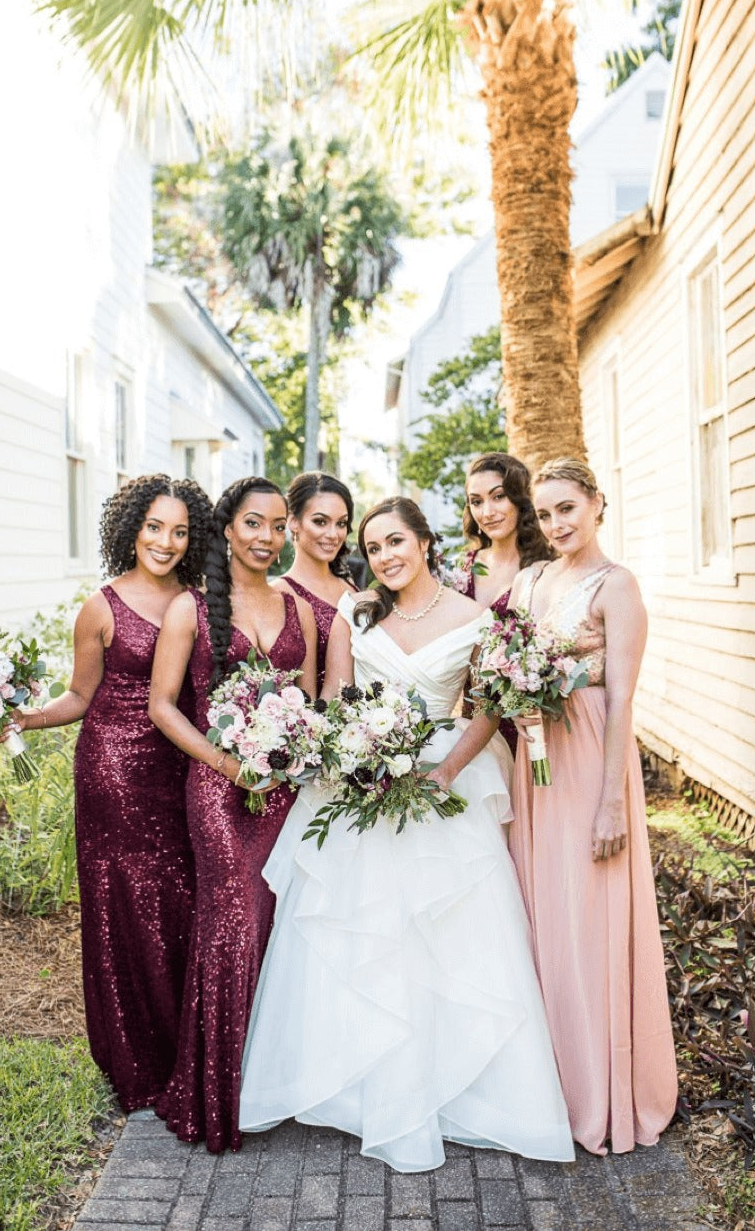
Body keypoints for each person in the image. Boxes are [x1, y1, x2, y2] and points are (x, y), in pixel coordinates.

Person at [240, 497, 574, 1173]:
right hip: (365, 777)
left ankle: (459, 1085)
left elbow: (485, 706)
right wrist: (358, 757)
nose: (387, 555)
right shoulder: (355, 615)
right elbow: (335, 698)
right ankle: (358, 1084)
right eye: (375, 545)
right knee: (361, 930)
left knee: (446, 933)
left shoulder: (475, 617)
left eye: (397, 540)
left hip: (443, 783)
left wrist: (446, 769)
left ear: (424, 541)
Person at [5, 474, 213, 1112]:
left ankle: (189, 1051)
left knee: (182, 901)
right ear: (131, 529)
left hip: (183, 765)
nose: (166, 542)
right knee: (124, 906)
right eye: (154, 527)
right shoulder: (101, 606)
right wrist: (21, 718)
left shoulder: (201, 599)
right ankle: (135, 1059)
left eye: (179, 531)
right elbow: (79, 696)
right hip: (114, 775)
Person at [507, 458, 677, 1156]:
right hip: (534, 763)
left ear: (598, 503)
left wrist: (613, 803)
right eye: (545, 513)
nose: (557, 524)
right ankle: (546, 1082)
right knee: (543, 915)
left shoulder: (618, 585)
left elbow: (621, 702)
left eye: (568, 508)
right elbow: (507, 661)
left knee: (589, 917)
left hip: (588, 769)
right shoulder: (529, 581)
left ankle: (601, 1089)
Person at [148, 477, 316, 1152]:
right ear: (226, 529)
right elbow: (163, 705)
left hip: (283, 788)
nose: (267, 537)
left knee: (280, 922)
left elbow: (304, 693)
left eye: (278, 525)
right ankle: (213, 1093)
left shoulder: (295, 604)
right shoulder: (189, 609)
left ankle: (271, 1085)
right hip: (220, 791)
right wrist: (226, 764)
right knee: (234, 923)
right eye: (254, 522)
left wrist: (297, 745)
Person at [459, 452, 550, 753]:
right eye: (476, 501)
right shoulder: (463, 568)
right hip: (472, 727)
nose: (487, 512)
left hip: (527, 728)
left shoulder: (545, 571)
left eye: (498, 497)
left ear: (519, 499)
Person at [272, 472, 357, 695]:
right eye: (320, 521)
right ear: (293, 522)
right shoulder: (279, 595)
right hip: (314, 720)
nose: (333, 534)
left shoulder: (352, 589)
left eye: (341, 523)